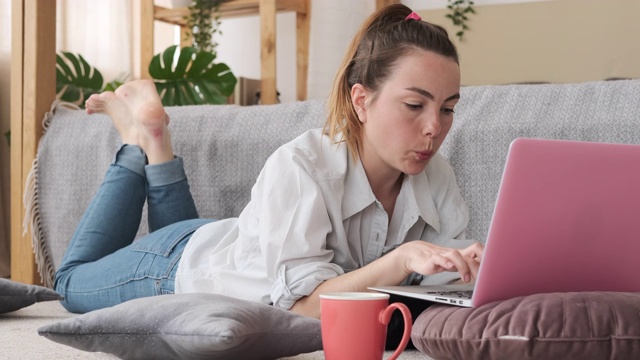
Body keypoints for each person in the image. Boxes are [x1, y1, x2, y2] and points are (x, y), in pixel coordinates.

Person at [55, 4, 484, 321]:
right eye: (414, 105)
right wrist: (401, 259)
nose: (434, 127)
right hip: (173, 268)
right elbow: (303, 308)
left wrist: (473, 271)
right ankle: (135, 142)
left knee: (190, 239)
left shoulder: (434, 175)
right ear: (362, 101)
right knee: (69, 283)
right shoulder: (303, 166)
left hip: (222, 245)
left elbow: (441, 295)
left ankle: (155, 135)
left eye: (448, 109)